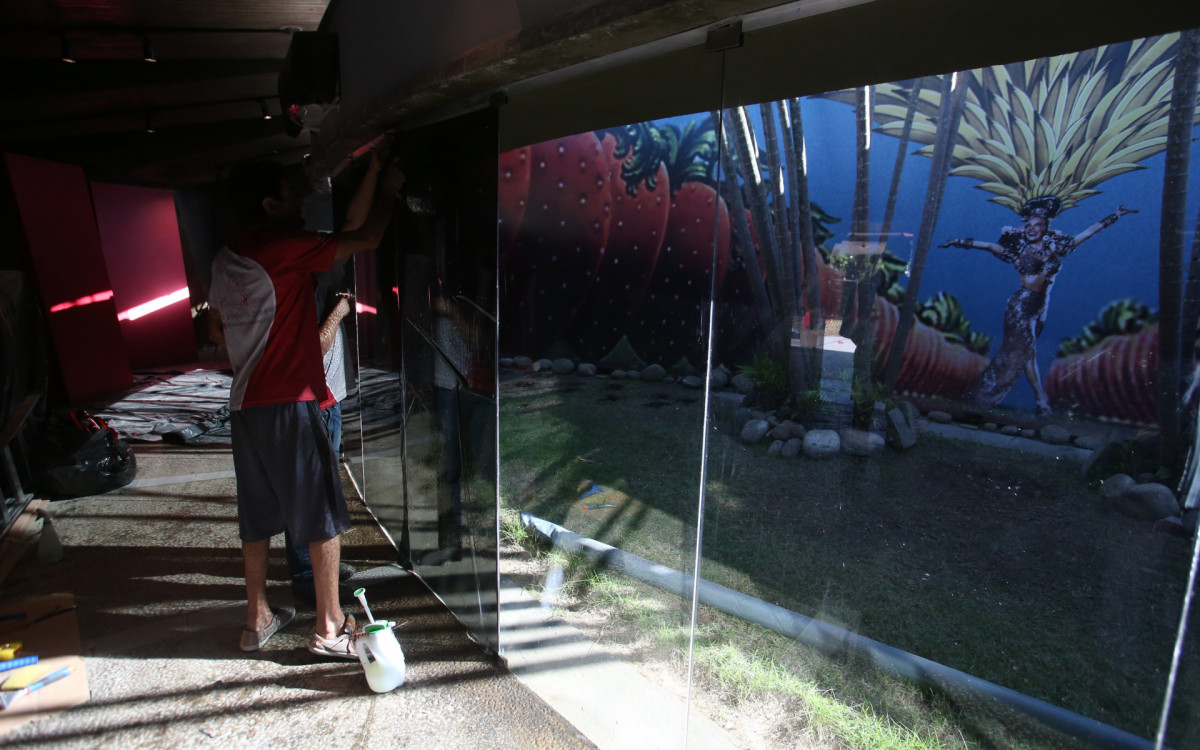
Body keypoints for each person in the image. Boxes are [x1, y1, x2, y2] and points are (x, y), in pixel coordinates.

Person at [208, 154, 403, 659]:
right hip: (290, 403)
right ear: (270, 204)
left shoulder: (227, 256)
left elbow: (215, 329)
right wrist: (390, 190)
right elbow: (367, 237)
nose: (298, 202)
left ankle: (256, 620)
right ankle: (331, 627)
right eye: (290, 195)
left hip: (244, 405)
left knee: (256, 518)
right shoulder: (282, 247)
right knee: (321, 518)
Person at [286, 148, 387, 602]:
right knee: (313, 490)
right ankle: (308, 576)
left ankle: (309, 564)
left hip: (323, 396)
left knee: (314, 486)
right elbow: (313, 346)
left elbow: (353, 226)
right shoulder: (302, 275)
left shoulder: (310, 262)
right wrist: (342, 310)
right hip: (316, 398)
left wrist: (377, 171)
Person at [940, 197, 1135, 414]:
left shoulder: (1055, 249)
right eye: (1029, 225)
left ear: (1045, 228)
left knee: (1026, 351)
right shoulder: (1018, 251)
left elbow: (1086, 234)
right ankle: (1041, 400)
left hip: (1039, 306)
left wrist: (1114, 216)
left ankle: (1030, 399)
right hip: (1021, 305)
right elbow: (990, 246)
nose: (1032, 229)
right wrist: (959, 242)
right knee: (1028, 350)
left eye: (1037, 225)